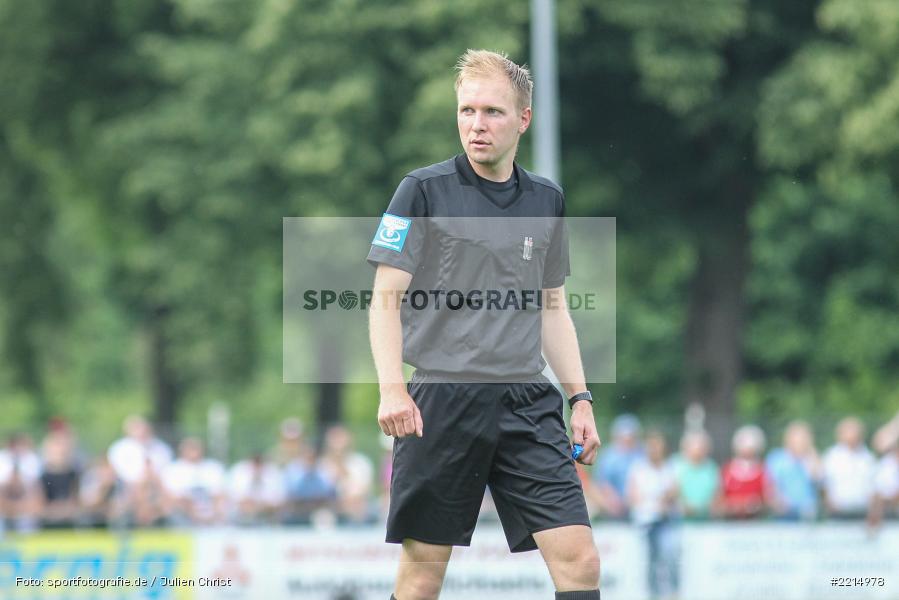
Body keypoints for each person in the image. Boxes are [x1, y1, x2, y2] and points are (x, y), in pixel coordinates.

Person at [367, 49, 602, 600]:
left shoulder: (547, 199)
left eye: (493, 111)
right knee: (422, 577)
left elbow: (552, 307)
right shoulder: (421, 190)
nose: (477, 124)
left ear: (523, 119)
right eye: (467, 110)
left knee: (582, 562)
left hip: (526, 402)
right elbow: (383, 300)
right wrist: (392, 389)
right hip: (440, 402)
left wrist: (580, 398)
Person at [627, 431, 679, 600]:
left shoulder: (668, 467)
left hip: (664, 521)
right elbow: (633, 496)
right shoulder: (638, 469)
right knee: (650, 561)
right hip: (645, 523)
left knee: (670, 555)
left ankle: (673, 593)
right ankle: (653, 594)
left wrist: (663, 499)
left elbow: (674, 492)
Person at [588, 414, 644, 519]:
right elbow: (599, 483)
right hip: (613, 510)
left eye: (630, 437)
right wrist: (609, 501)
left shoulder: (642, 454)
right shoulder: (608, 456)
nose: (627, 440)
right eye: (624, 437)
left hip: (639, 509)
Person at [317, 425, 375, 524]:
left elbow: (364, 490)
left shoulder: (360, 462)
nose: (338, 444)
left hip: (358, 511)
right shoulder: (321, 465)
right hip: (331, 511)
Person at [162, 437, 227, 525]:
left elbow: (220, 494)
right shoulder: (172, 470)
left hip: (213, 514)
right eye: (190, 449)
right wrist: (193, 513)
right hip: (184, 514)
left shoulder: (214, 468)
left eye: (196, 448)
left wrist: (214, 514)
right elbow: (172, 497)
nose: (194, 452)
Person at [765, 420, 822, 520]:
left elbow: (818, 480)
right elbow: (771, 485)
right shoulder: (776, 458)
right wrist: (777, 503)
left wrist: (811, 455)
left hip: (808, 514)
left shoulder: (811, 458)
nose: (800, 442)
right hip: (784, 513)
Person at [822, 416, 876, 519]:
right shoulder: (831, 456)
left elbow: (873, 486)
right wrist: (829, 504)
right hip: (837, 511)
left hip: (863, 511)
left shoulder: (868, 458)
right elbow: (825, 483)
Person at [719, 425, 769, 519]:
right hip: (731, 519)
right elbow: (720, 498)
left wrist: (755, 504)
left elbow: (767, 498)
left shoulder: (761, 471)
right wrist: (732, 506)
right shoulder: (728, 470)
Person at [670, 429, 719, 520]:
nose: (700, 450)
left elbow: (717, 494)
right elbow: (672, 491)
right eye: (697, 446)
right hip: (679, 520)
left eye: (703, 447)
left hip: (706, 519)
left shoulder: (711, 467)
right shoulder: (675, 465)